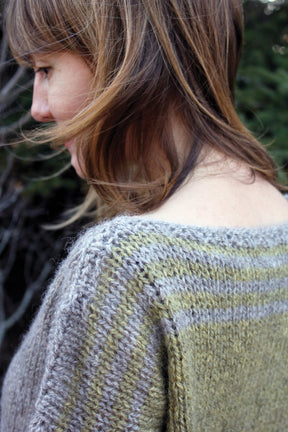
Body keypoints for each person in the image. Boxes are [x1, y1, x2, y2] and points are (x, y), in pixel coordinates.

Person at [1, 0, 288, 430]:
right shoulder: (279, 221)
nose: (38, 108)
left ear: (125, 58)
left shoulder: (125, 268)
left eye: (46, 69)